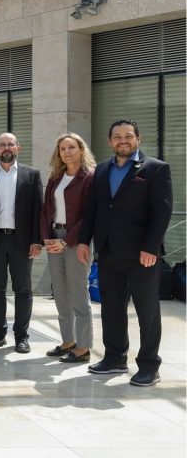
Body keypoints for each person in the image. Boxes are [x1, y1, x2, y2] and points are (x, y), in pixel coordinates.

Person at [78, 119, 173, 387]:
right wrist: (84, 241)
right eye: (117, 136)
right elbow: (93, 209)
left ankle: (149, 366)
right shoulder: (101, 170)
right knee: (112, 308)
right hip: (108, 251)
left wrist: (151, 247)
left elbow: (162, 212)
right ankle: (115, 358)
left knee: (147, 311)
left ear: (138, 139)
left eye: (128, 136)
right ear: (110, 141)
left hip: (142, 254)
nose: (123, 140)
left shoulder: (155, 168)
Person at [0, 133, 43, 353]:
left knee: (23, 289)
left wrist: (37, 241)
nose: (7, 148)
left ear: (18, 148)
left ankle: (22, 336)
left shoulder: (31, 174)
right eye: (3, 145)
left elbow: (38, 210)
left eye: (11, 144)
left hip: (21, 241)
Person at [40, 132, 95, 363]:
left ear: (81, 150)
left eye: (71, 147)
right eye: (62, 148)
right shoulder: (56, 176)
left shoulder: (90, 176)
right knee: (61, 293)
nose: (67, 152)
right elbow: (45, 210)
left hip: (77, 240)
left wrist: (66, 241)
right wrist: (46, 238)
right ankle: (68, 341)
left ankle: (83, 347)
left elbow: (90, 215)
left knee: (78, 294)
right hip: (55, 238)